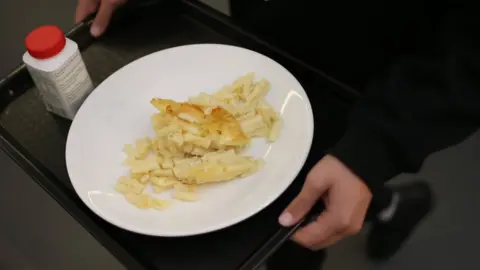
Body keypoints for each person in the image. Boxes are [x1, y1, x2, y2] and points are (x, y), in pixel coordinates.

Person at [75, 0, 480, 269]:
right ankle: (392, 206)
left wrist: (376, 149)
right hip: (262, 28)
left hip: (366, 71)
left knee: (290, 230)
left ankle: (385, 204)